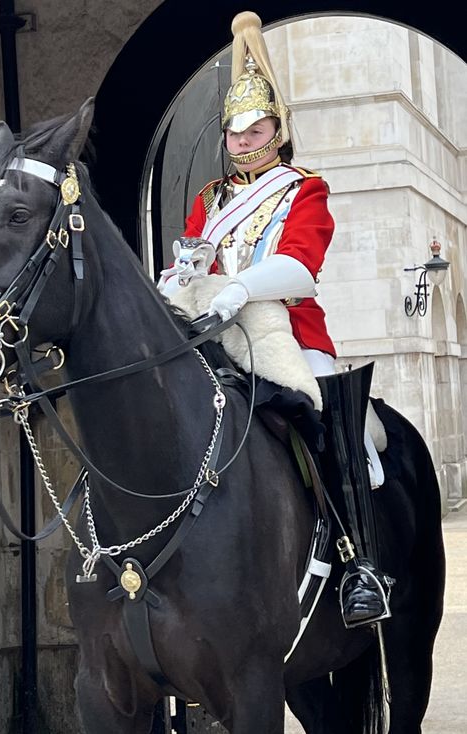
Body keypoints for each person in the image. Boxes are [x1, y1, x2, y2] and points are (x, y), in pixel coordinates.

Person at [158, 10, 393, 628]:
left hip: (286, 328)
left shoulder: (302, 190)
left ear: (276, 127)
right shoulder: (211, 200)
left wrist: (239, 288)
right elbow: (190, 256)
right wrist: (178, 278)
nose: (241, 139)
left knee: (336, 426)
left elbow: (301, 269)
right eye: (233, 132)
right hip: (212, 325)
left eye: (254, 126)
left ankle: (359, 567)